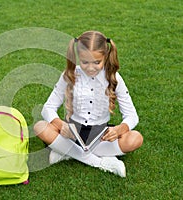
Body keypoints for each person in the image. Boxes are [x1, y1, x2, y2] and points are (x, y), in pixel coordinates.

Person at [33, 31, 143, 177]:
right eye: (85, 62)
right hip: (72, 133)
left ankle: (67, 153)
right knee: (40, 127)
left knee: (135, 138)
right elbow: (48, 108)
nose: (91, 68)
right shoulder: (69, 75)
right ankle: (103, 163)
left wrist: (119, 129)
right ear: (78, 58)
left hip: (100, 135)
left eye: (97, 62)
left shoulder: (114, 78)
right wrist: (61, 125)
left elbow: (131, 115)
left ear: (105, 57)